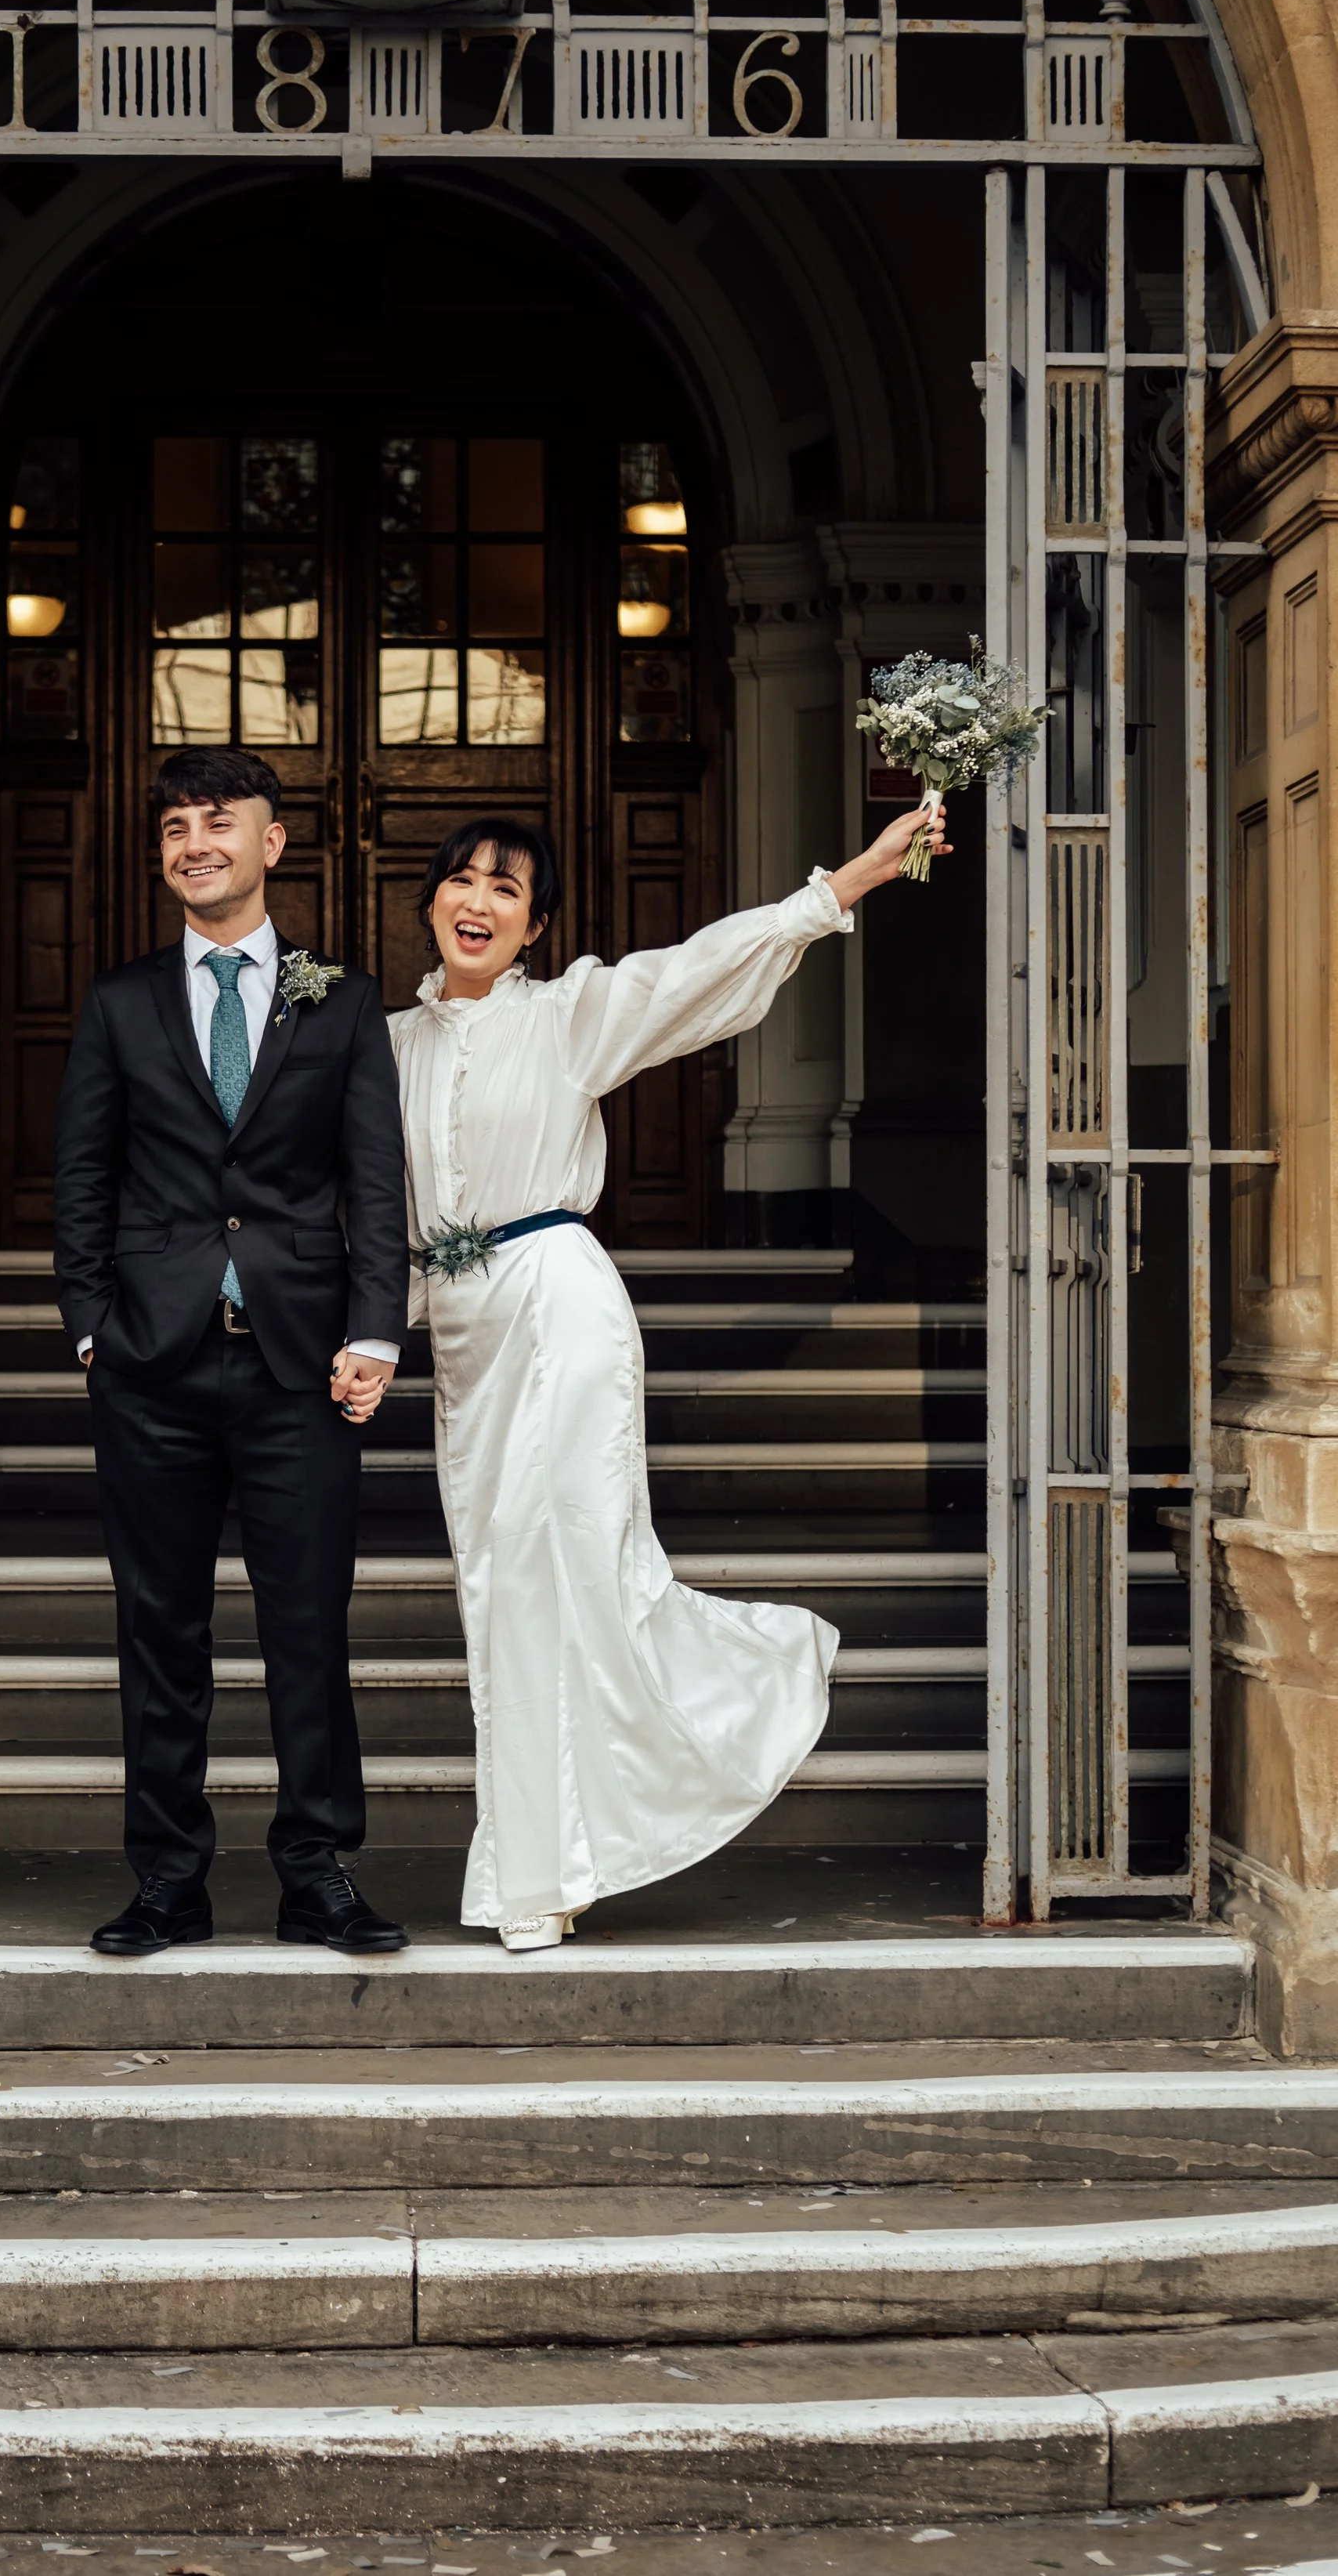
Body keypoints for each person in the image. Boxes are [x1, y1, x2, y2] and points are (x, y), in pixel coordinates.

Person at [363, 800, 947, 1952]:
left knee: (584, 1571)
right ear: (430, 899)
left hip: (563, 1309)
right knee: (501, 1594)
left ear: (534, 927)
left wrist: (846, 887)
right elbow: (384, 1217)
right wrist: (377, 1329)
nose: (479, 902)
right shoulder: (383, 1046)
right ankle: (548, 1856)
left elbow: (696, 971)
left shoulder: (569, 1013)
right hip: (466, 1342)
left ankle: (591, 1829)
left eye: (508, 890)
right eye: (462, 880)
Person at [54, 748, 412, 1958]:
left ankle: (317, 1872)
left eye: (219, 820)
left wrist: (374, 1328)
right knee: (160, 1630)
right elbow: (82, 1180)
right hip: (150, 1363)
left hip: (300, 1364)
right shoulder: (119, 1002)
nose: (193, 841)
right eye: (173, 826)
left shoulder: (343, 1002)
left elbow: (374, 1178)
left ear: (272, 843)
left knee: (308, 1625)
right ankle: (169, 1880)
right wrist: (93, 1325)